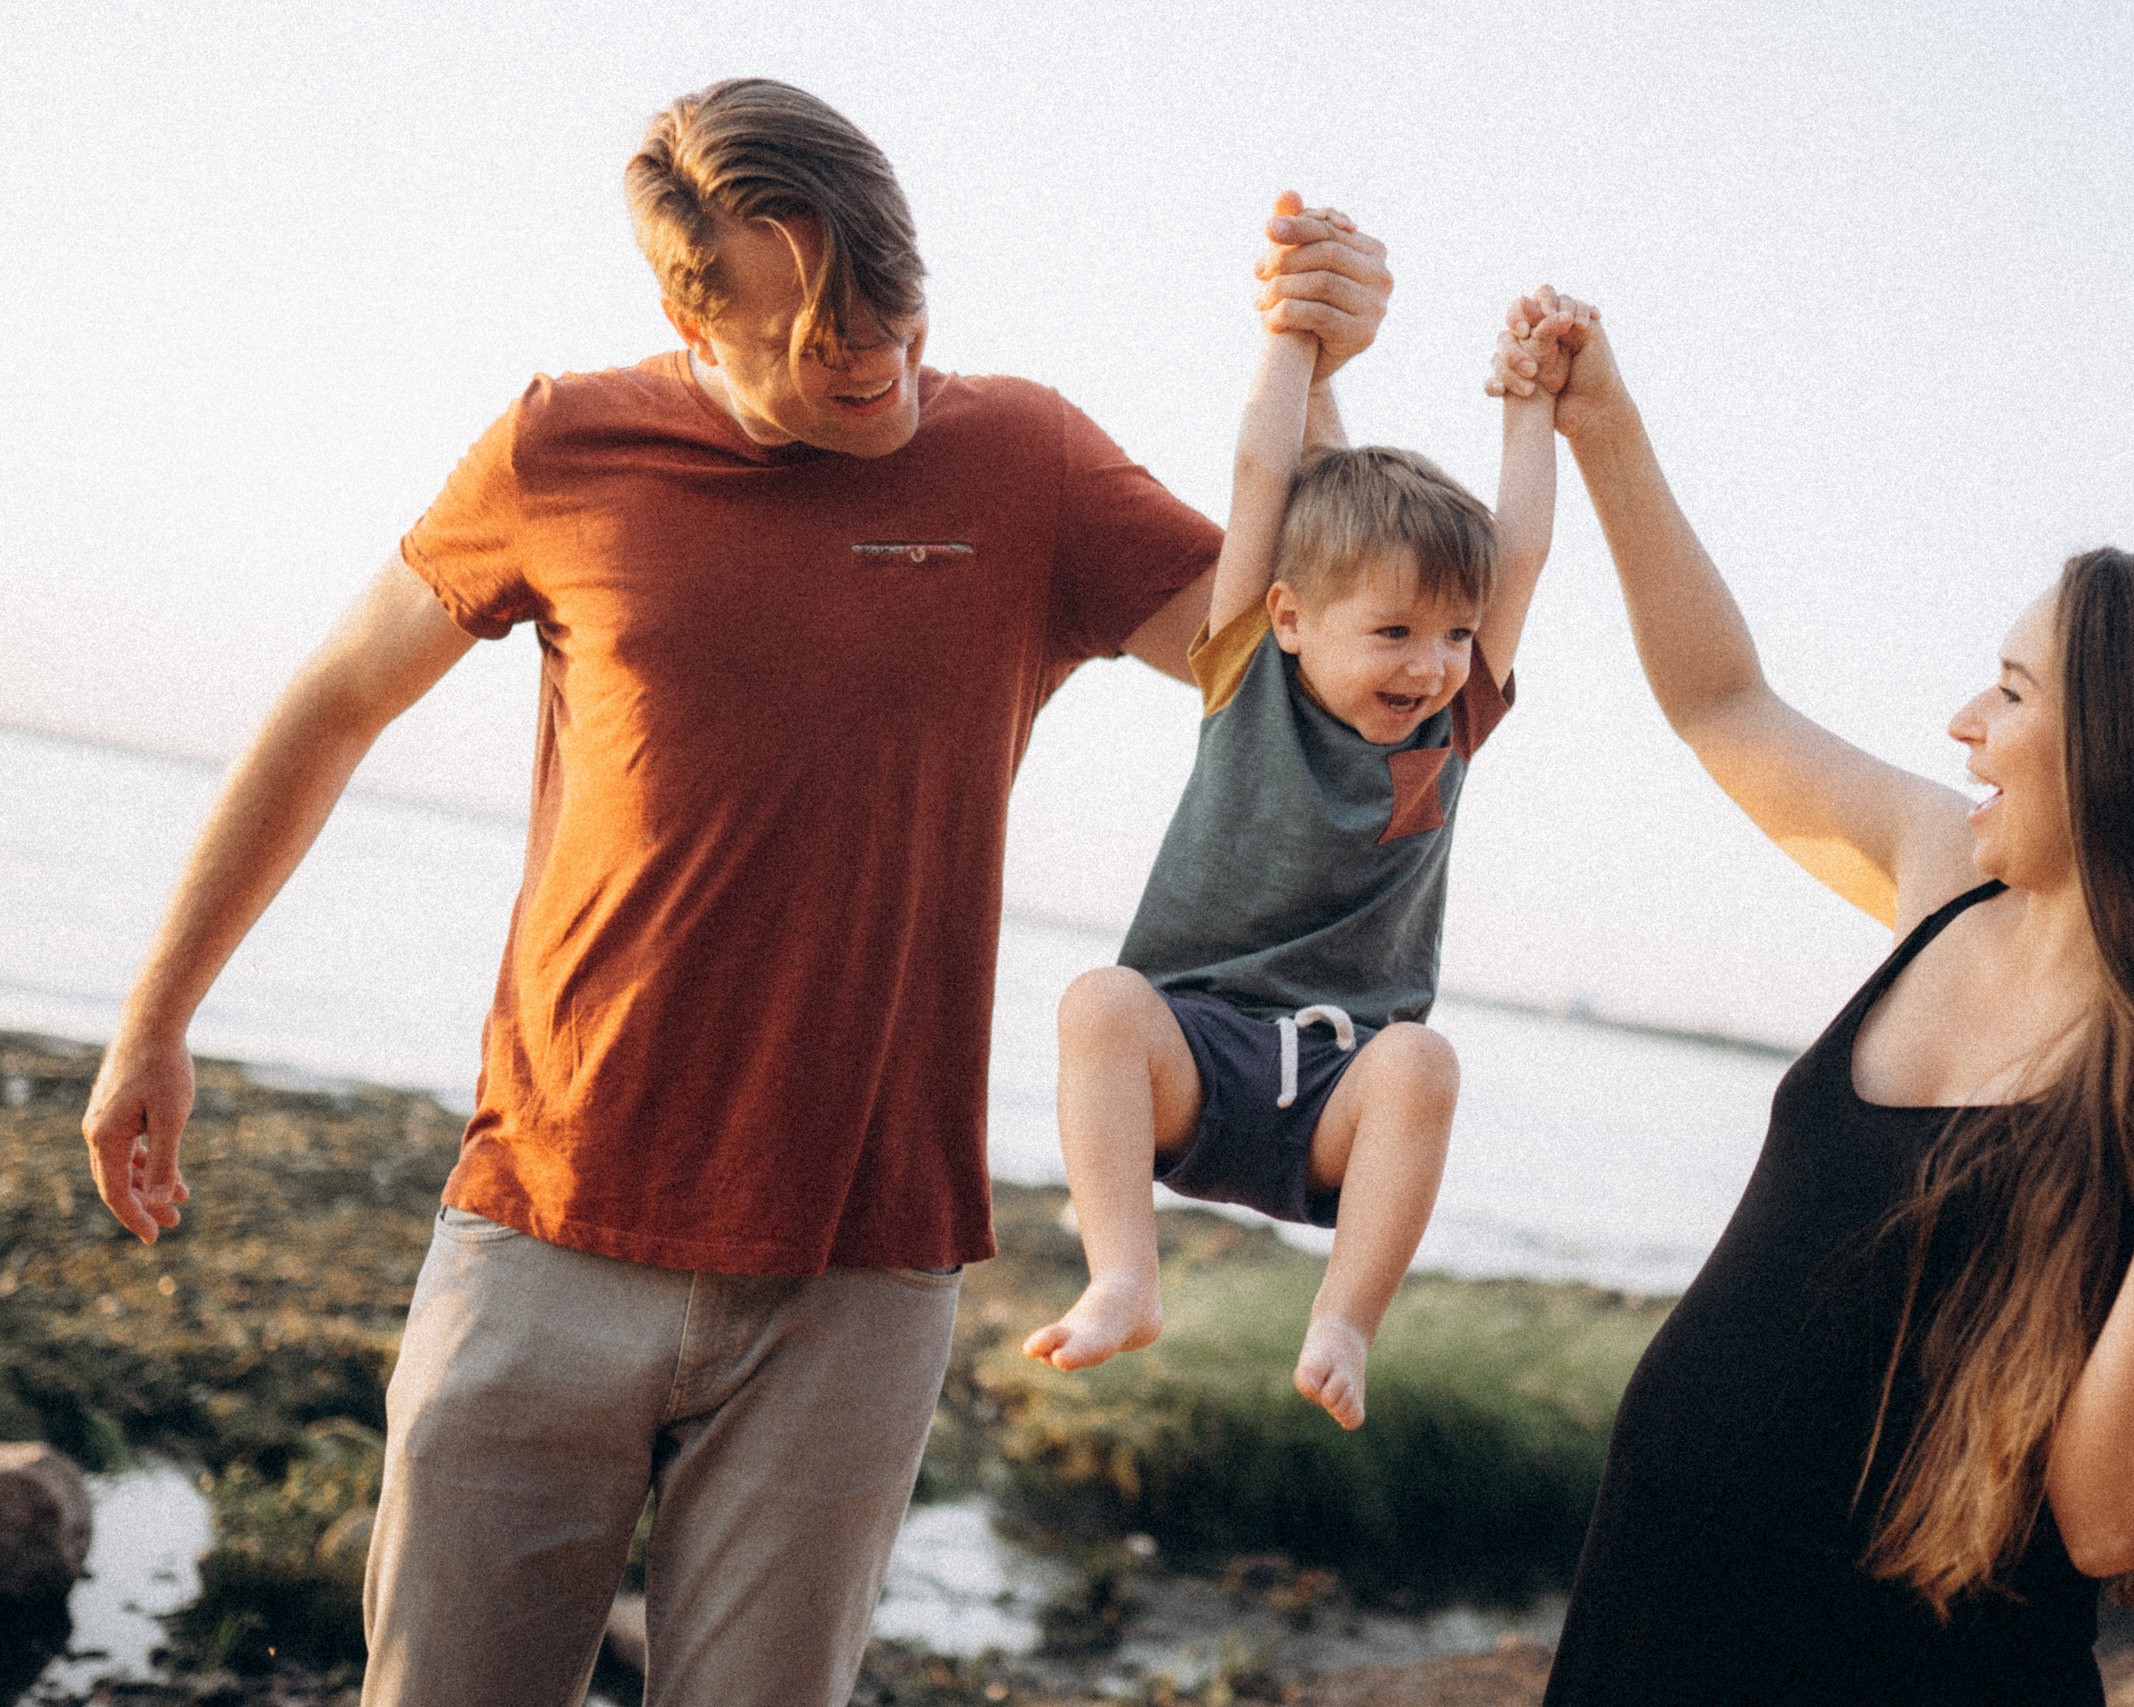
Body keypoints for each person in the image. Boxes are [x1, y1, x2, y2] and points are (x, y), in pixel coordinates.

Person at [77, 78, 1392, 1706]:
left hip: (856, 1284)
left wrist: (1317, 386)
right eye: (825, 340)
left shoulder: (1028, 465)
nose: (881, 362)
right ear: (690, 317)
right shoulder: (564, 447)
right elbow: (333, 704)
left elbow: (1299, 677)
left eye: (896, 312)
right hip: (542, 1234)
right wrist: (158, 1015)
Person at [1491, 296, 2134, 1703]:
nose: (1964, 720)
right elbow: (1722, 700)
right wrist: (1608, 431)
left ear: (2131, 755)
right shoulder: (1948, 878)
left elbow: (2111, 1517)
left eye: (2012, 691)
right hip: (1647, 1629)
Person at [1020, 266, 1571, 1430]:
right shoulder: (1242, 676)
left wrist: (1531, 409)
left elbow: (1517, 554)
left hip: (1338, 1087)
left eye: (1455, 635)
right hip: (1194, 1053)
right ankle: (1125, 1273)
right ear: (1287, 618)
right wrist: (1285, 340)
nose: (1429, 664)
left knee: (1425, 1066)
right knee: (1097, 1004)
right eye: (1394, 632)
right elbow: (1261, 473)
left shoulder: (1451, 728)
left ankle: (1343, 1322)